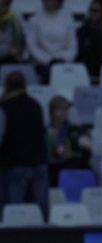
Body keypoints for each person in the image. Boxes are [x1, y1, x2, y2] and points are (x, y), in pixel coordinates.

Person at [0, 71, 48, 219]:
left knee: (15, 212)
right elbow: (43, 129)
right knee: (40, 212)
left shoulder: (4, 107)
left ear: (7, 87)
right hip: (39, 163)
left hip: (15, 165)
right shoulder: (36, 105)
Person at [26, 0, 77, 83]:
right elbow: (32, 45)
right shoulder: (34, 20)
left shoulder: (68, 19)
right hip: (42, 64)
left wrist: (64, 59)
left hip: (63, 63)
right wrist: (47, 60)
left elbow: (72, 45)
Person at [46, 96, 91, 186]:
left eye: (65, 109)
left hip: (74, 171)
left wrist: (72, 155)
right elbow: (47, 156)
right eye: (59, 109)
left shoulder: (75, 130)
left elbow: (87, 152)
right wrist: (61, 156)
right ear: (52, 112)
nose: (63, 112)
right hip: (55, 173)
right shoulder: (48, 132)